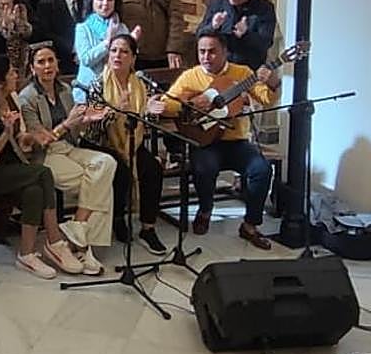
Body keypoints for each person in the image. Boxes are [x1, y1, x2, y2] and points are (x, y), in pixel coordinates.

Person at [155, 30, 278, 249]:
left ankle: (250, 225)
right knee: (204, 167)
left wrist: (274, 83)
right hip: (205, 141)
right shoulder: (190, 76)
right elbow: (168, 104)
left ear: (225, 52)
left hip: (237, 142)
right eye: (202, 51)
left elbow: (267, 99)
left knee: (262, 169)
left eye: (212, 52)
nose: (206, 56)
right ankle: (205, 209)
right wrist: (191, 103)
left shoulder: (242, 73)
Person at [0, 55, 85, 279]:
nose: (16, 75)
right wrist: (6, 133)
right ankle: (55, 240)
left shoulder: (12, 98)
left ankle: (27, 254)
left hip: (11, 165)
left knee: (34, 191)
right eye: (11, 73)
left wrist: (29, 138)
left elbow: (20, 138)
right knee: (43, 173)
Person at [17, 45, 117, 274]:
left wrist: (86, 120)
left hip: (68, 147)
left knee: (107, 164)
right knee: (98, 184)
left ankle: (76, 231)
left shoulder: (65, 89)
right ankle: (82, 247)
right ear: (32, 68)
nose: (47, 66)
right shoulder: (27, 98)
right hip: (45, 155)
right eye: (41, 62)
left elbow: (73, 131)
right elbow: (40, 139)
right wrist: (67, 124)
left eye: (51, 60)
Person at [83, 34, 168, 252]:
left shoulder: (141, 84)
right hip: (101, 144)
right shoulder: (98, 83)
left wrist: (149, 112)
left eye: (124, 51)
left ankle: (148, 227)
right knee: (119, 170)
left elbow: (147, 123)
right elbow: (93, 127)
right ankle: (118, 219)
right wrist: (115, 110)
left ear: (133, 58)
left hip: (133, 142)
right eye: (113, 51)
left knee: (152, 168)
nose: (117, 56)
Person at [195, 0, 276, 69]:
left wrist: (246, 34)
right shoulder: (217, 4)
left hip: (248, 67)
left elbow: (265, 43)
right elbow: (199, 35)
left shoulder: (264, 8)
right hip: (220, 67)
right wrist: (213, 26)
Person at [74, 0, 141, 98]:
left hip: (115, 91)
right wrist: (108, 40)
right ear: (92, 2)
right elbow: (86, 59)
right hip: (88, 91)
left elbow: (126, 62)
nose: (105, 3)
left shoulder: (121, 27)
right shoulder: (83, 28)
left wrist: (132, 43)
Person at [34, 0, 88, 75]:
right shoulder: (47, 3)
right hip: (60, 61)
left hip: (86, 60)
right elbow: (45, 33)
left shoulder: (88, 0)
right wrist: (72, 48)